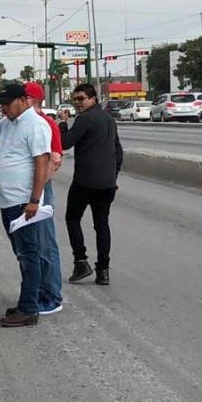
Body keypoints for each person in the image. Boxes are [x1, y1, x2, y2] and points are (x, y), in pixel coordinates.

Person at [0, 83, 52, 328]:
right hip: (9, 200)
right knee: (22, 254)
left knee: (28, 254)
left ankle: (29, 308)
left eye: (7, 104)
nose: (4, 108)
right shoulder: (8, 122)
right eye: (1, 104)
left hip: (23, 202)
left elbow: (42, 163)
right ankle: (26, 301)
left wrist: (35, 200)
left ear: (23, 100)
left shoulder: (36, 124)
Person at [57, 83, 124, 286]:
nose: (77, 103)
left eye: (81, 99)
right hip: (107, 183)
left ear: (92, 99)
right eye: (75, 99)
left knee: (72, 218)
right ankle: (103, 271)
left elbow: (64, 143)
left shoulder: (85, 119)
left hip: (85, 181)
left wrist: (62, 123)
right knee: (102, 224)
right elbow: (118, 151)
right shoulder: (108, 119)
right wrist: (114, 176)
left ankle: (81, 261)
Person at [24, 82, 65, 315]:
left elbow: (55, 160)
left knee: (44, 243)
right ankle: (36, 291)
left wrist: (36, 190)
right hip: (25, 191)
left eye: (24, 98)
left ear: (34, 101)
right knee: (30, 244)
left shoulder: (47, 124)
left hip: (40, 191)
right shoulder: (21, 124)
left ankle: (51, 295)